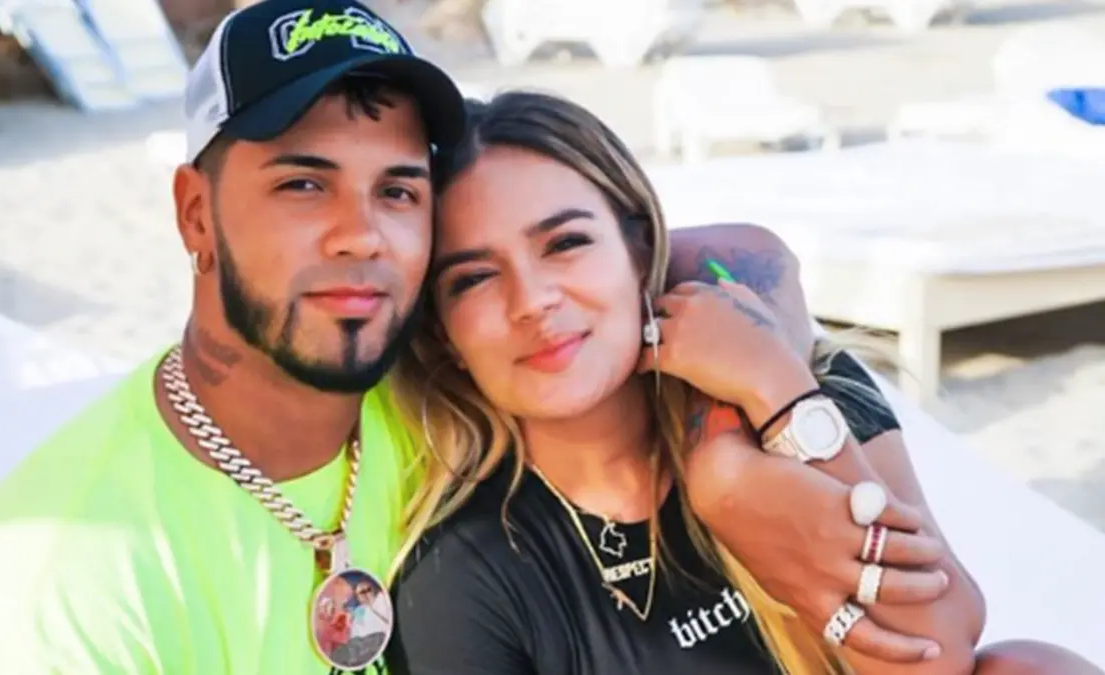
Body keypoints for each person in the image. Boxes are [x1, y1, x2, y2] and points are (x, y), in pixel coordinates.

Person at [385, 91, 1103, 675]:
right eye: (473, 278)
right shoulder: (463, 570)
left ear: (641, 249)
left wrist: (771, 399)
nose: (532, 300)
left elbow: (934, 653)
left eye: (566, 242)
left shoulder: (799, 387)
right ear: (445, 334)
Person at [0, 1, 465, 673]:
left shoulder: (450, 426)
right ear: (195, 215)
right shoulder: (66, 581)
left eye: (398, 192)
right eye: (303, 184)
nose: (361, 235)